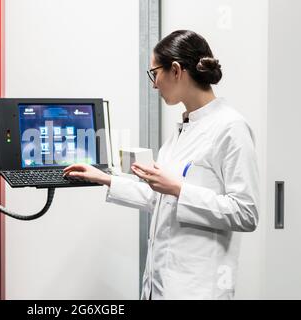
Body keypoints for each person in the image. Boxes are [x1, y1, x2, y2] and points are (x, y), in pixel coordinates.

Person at [63, 30, 259, 300]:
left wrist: (179, 189)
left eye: (154, 72)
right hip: (160, 285)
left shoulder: (231, 127)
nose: (154, 85)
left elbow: (246, 213)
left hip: (197, 289)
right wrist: (106, 179)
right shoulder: (183, 130)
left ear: (176, 70)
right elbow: (162, 200)